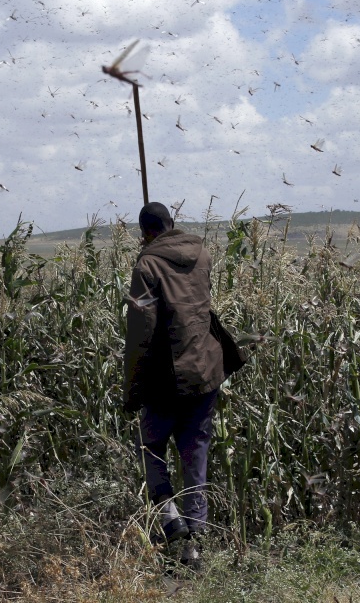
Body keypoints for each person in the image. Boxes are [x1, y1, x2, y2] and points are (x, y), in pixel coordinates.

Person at [123, 201, 226, 569]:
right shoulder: (203, 255)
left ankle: (170, 521)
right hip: (204, 372)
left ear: (145, 232)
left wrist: (132, 387)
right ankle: (194, 548)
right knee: (194, 455)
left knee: (151, 449)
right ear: (172, 223)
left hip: (166, 379)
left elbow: (141, 332)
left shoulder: (147, 265)